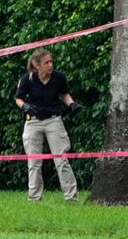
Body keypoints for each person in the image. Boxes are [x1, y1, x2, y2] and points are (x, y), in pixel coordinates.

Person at [15, 49, 82, 201]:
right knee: (34, 162)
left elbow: (64, 94)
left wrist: (72, 104)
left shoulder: (59, 77)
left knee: (61, 160)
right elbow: (18, 99)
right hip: (33, 122)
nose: (50, 65)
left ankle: (71, 198)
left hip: (54, 120)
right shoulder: (27, 79)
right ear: (37, 65)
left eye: (51, 61)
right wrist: (25, 106)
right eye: (47, 63)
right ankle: (34, 198)